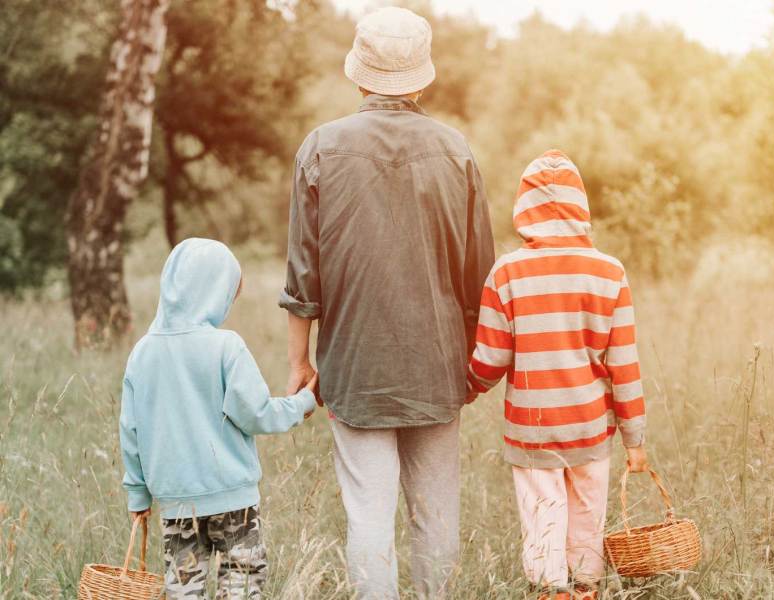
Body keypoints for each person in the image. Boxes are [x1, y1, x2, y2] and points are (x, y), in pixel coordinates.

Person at [279, 7, 495, 599]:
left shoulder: (320, 148)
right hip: (440, 366)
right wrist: (477, 364)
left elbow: (303, 279)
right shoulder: (456, 151)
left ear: (359, 75)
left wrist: (300, 364)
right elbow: (481, 278)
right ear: (421, 78)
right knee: (436, 517)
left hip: (355, 369)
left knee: (368, 516)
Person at [467, 150, 648, 600]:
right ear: (580, 206)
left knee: (542, 522)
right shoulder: (609, 272)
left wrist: (469, 385)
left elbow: (490, 360)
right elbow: (624, 364)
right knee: (588, 521)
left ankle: (552, 592)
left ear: (524, 206)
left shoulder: (506, 272)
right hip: (590, 429)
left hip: (533, 430)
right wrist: (635, 439)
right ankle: (586, 589)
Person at [119, 238, 317, 599]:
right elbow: (255, 413)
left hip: (176, 501)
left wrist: (138, 494)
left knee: (183, 589)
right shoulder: (226, 346)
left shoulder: (142, 353)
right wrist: (302, 403)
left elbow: (131, 430)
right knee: (241, 583)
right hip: (233, 502)